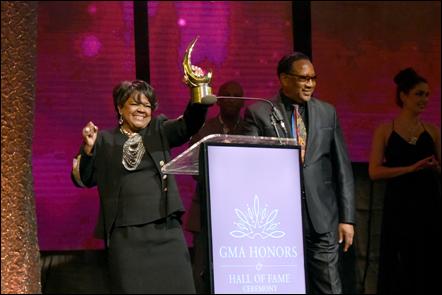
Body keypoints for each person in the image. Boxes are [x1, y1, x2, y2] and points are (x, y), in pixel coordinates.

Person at [71, 80, 210, 294]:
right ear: (120, 107)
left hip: (166, 231)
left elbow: (188, 125)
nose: (142, 110)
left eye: (147, 105)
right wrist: (88, 150)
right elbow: (84, 179)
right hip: (126, 237)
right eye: (135, 104)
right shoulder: (105, 140)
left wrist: (198, 96)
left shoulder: (159, 130)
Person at [243, 52, 355, 294]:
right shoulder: (260, 113)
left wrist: (347, 218)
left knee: (330, 287)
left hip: (322, 217)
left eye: (313, 78)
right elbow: (250, 165)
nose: (310, 84)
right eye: (304, 78)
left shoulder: (327, 112)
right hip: (278, 219)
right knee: (284, 286)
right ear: (284, 79)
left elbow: (342, 168)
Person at [368, 68, 441, 293]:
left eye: (427, 95)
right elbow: (374, 172)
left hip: (428, 204)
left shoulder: (433, 131)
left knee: (427, 261)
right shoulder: (385, 130)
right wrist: (410, 168)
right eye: (419, 94)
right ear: (403, 96)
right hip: (399, 205)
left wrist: (435, 168)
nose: (425, 99)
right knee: (397, 260)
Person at [185, 80, 247, 293]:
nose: (231, 99)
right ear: (218, 100)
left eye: (236, 96)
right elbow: (194, 167)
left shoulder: (250, 129)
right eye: (226, 95)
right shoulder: (204, 129)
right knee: (202, 269)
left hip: (242, 211)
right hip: (207, 209)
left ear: (243, 103)